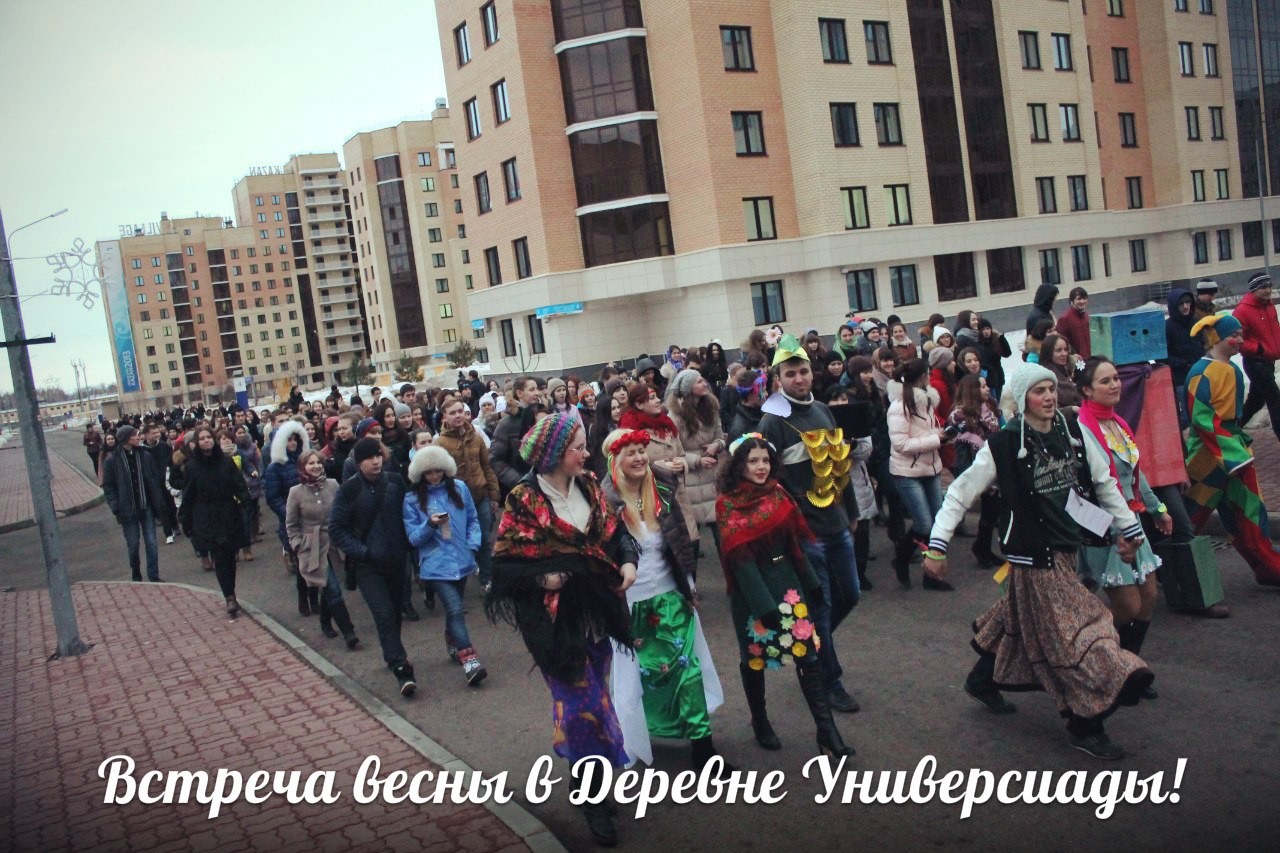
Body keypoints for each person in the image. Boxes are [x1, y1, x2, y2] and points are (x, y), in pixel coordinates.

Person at [926, 364, 1154, 760]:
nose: (1049, 397)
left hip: (1066, 549)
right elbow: (961, 492)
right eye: (1039, 391)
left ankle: (982, 681)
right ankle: (1086, 723)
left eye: (1051, 389)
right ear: (1022, 399)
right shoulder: (1004, 444)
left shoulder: (1072, 431)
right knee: (1075, 632)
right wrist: (937, 545)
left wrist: (1126, 530)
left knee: (1018, 618)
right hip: (1034, 556)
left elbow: (1102, 483)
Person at [485, 413, 638, 846]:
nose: (586, 454)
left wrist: (628, 561)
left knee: (595, 700)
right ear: (553, 454)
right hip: (554, 623)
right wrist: (542, 578)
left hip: (597, 613)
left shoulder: (588, 485)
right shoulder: (523, 500)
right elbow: (504, 566)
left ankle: (586, 779)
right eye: (578, 447)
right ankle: (593, 801)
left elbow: (615, 534)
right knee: (582, 709)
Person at [716, 434, 855, 758]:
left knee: (807, 656)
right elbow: (740, 561)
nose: (761, 467)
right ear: (739, 465)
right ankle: (760, 720)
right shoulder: (727, 503)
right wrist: (764, 606)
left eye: (765, 460)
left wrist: (812, 584)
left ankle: (827, 730)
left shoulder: (778, 493)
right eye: (753, 461)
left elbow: (795, 544)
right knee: (754, 660)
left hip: (789, 588)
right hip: (752, 595)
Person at [601, 428, 729, 771]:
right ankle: (636, 738)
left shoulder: (661, 489)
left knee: (689, 671)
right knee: (639, 680)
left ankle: (704, 749)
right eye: (630, 452)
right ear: (615, 460)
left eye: (641, 450)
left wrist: (689, 587)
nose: (639, 458)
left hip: (671, 598)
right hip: (630, 607)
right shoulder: (604, 504)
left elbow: (679, 544)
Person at [756, 335, 861, 713]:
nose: (798, 379)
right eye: (790, 374)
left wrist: (852, 512)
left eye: (802, 371)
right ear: (778, 379)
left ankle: (810, 646)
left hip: (837, 523)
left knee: (850, 595)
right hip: (805, 533)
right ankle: (829, 681)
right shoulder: (772, 421)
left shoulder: (822, 411)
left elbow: (839, 464)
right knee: (822, 605)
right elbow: (768, 483)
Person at [1076, 357, 1170, 700]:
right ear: (1087, 390)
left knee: (1149, 597)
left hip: (1132, 520)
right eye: (1105, 381)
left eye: (1116, 378)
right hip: (1104, 525)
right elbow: (1093, 487)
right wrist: (1114, 528)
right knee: (1127, 606)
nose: (1115, 384)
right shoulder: (1083, 430)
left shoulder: (1117, 423)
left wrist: (1158, 508)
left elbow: (1133, 473)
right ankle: (1086, 656)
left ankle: (1129, 671)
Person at [1184, 313, 1280, 586]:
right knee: (1191, 516)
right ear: (1216, 338)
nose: (1239, 340)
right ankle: (1165, 567)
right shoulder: (1200, 373)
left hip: (1233, 451)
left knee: (1250, 514)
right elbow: (1202, 419)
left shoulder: (1233, 370)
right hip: (1207, 458)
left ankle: (1268, 567)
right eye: (1233, 335)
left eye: (1241, 335)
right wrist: (1232, 455)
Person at [329, 436, 417, 696]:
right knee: (383, 613)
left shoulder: (396, 482)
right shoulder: (349, 490)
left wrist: (411, 547)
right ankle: (401, 667)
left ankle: (391, 653)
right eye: (369, 458)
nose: (376, 461)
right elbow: (337, 529)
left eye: (378, 456)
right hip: (368, 566)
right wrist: (363, 552)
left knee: (395, 612)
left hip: (397, 561)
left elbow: (410, 515)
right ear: (358, 462)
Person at [404, 445, 486, 686]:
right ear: (420, 474)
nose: (434, 476)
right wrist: (429, 524)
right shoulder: (412, 499)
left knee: (454, 610)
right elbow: (413, 538)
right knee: (455, 609)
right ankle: (470, 660)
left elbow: (473, 519)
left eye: (438, 471)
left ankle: (452, 640)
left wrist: (473, 545)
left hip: (462, 559)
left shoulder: (459, 488)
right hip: (436, 564)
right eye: (428, 472)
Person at [887, 359, 955, 591]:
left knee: (937, 523)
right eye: (927, 374)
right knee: (924, 524)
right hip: (907, 472)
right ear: (923, 376)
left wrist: (945, 435)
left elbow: (927, 432)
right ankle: (901, 558)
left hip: (931, 467)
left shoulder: (925, 401)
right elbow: (900, 444)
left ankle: (931, 576)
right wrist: (936, 439)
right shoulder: (900, 406)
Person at [285, 450, 360, 649]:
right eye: (311, 463)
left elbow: (345, 510)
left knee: (330, 585)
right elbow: (291, 524)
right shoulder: (296, 492)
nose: (316, 466)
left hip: (335, 544)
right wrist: (298, 545)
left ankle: (325, 619)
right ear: (303, 467)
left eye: (318, 462)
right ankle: (349, 631)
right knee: (332, 587)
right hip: (312, 546)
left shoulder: (333, 485)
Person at [179, 426, 252, 617]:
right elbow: (188, 495)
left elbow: (239, 485)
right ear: (197, 443)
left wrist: (246, 503)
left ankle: (231, 590)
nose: (206, 441)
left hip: (229, 512)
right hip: (206, 516)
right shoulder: (192, 467)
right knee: (219, 557)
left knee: (230, 556)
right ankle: (229, 596)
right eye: (202, 438)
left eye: (209, 437)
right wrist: (185, 520)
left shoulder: (226, 462)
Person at [434, 397, 500, 591]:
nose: (457, 416)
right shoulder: (440, 443)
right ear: (444, 416)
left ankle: (487, 579)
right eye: (452, 413)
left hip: (480, 495)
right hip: (457, 500)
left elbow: (487, 467)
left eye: (460, 411)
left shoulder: (476, 437)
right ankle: (462, 576)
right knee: (461, 539)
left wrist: (494, 495)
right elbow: (438, 476)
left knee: (484, 538)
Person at [665, 369, 727, 556]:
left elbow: (720, 435)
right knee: (692, 539)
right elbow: (672, 452)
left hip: (712, 477)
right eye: (699, 381)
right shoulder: (675, 417)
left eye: (703, 380)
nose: (704, 383)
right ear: (688, 388)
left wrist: (717, 445)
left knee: (723, 538)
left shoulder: (711, 408)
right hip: (690, 482)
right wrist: (697, 460)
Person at [101, 424, 167, 584]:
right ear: (125, 439)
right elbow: (108, 486)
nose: (138, 437)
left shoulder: (145, 456)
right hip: (127, 510)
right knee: (133, 544)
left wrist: (157, 500)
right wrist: (116, 506)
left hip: (146, 507)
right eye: (134, 435)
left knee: (151, 542)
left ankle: (153, 575)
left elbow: (154, 479)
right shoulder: (112, 460)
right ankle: (136, 573)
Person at [949, 374, 1002, 567]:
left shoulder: (989, 407)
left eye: (986, 385)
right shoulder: (960, 415)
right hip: (975, 465)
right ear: (972, 390)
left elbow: (997, 431)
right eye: (982, 386)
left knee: (992, 509)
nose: (987, 389)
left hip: (993, 463)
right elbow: (961, 443)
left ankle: (983, 548)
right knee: (987, 507)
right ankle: (981, 549)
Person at [266, 421, 312, 616]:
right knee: (302, 563)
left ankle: (314, 597)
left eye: (295, 439)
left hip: (312, 518)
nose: (293, 443)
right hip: (292, 522)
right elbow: (272, 497)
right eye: (289, 440)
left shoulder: (307, 462)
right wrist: (289, 513)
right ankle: (304, 597)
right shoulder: (275, 468)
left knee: (315, 560)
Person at [1233, 273, 1280, 443]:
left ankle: (1232, 431)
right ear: (1253, 290)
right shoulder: (1242, 311)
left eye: (1269, 286)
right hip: (1255, 363)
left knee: (1256, 401)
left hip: (1268, 361)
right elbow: (1236, 340)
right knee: (1275, 400)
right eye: (1263, 287)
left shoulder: (1269, 306)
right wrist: (1258, 349)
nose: (1268, 290)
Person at [491, 375, 540, 496]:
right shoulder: (507, 424)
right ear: (519, 393)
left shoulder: (544, 416)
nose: (537, 393)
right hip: (520, 491)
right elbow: (496, 460)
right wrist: (520, 482)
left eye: (537, 389)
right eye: (532, 389)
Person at [1163, 288, 1201, 430]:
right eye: (1181, 304)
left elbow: (1202, 345)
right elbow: (1164, 355)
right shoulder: (1168, 327)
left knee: (1201, 412)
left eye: (1188, 302)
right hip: (1181, 378)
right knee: (1186, 415)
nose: (1185, 306)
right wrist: (1184, 364)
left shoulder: (1195, 322)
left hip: (1199, 375)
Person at [1041, 333, 1082, 410]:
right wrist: (1072, 409)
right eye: (1058, 350)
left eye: (1065, 349)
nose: (1064, 354)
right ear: (1049, 352)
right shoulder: (1047, 376)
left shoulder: (1066, 370)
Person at [1057, 287, 1092, 359]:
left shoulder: (1086, 316)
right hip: (1077, 360)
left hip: (1089, 358)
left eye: (1084, 298)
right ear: (1072, 301)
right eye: (1079, 299)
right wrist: (1072, 355)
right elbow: (1061, 342)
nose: (1082, 301)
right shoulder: (1065, 319)